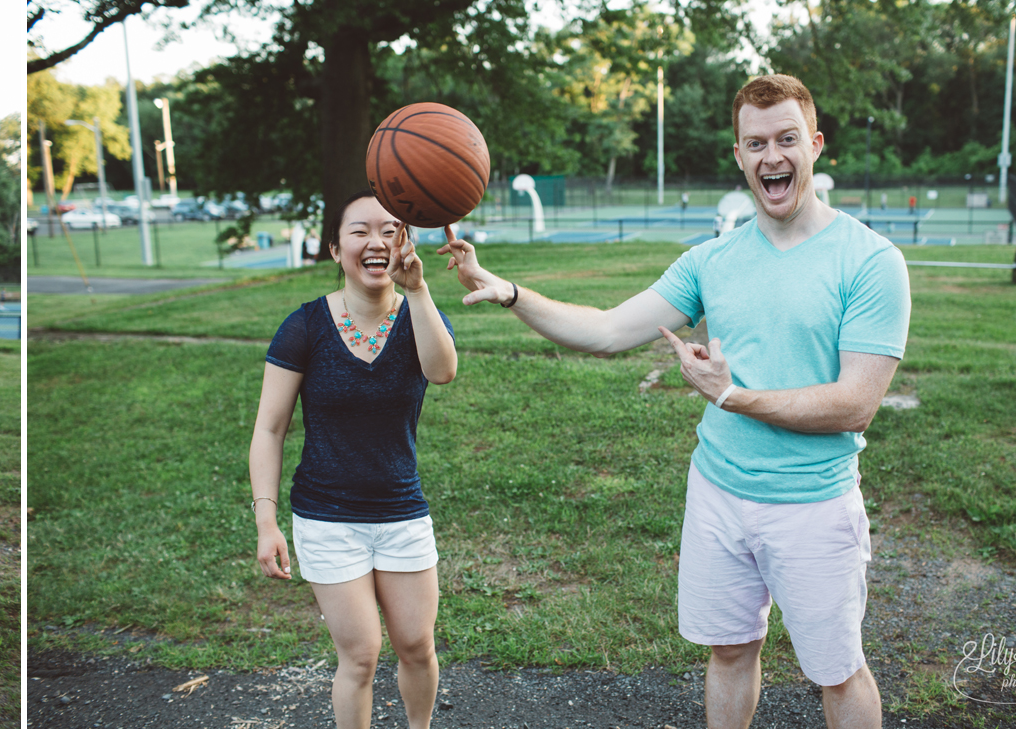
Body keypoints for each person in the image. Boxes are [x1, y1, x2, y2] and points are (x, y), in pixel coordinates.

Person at [435, 75, 907, 729]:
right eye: (756, 143)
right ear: (738, 155)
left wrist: (734, 395)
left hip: (814, 507)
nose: (772, 156)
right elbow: (605, 331)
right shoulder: (710, 261)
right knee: (731, 649)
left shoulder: (870, 261)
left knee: (838, 669)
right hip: (718, 493)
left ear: (816, 145)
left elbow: (856, 404)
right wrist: (511, 291)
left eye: (787, 139)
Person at [250, 191, 457, 729]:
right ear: (335, 248)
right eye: (360, 231)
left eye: (390, 231)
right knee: (361, 655)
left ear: (405, 243)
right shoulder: (304, 327)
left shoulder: (419, 313)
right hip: (326, 517)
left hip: (402, 512)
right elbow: (270, 429)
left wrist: (420, 292)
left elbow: (442, 371)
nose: (376, 242)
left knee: (417, 646)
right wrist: (266, 521)